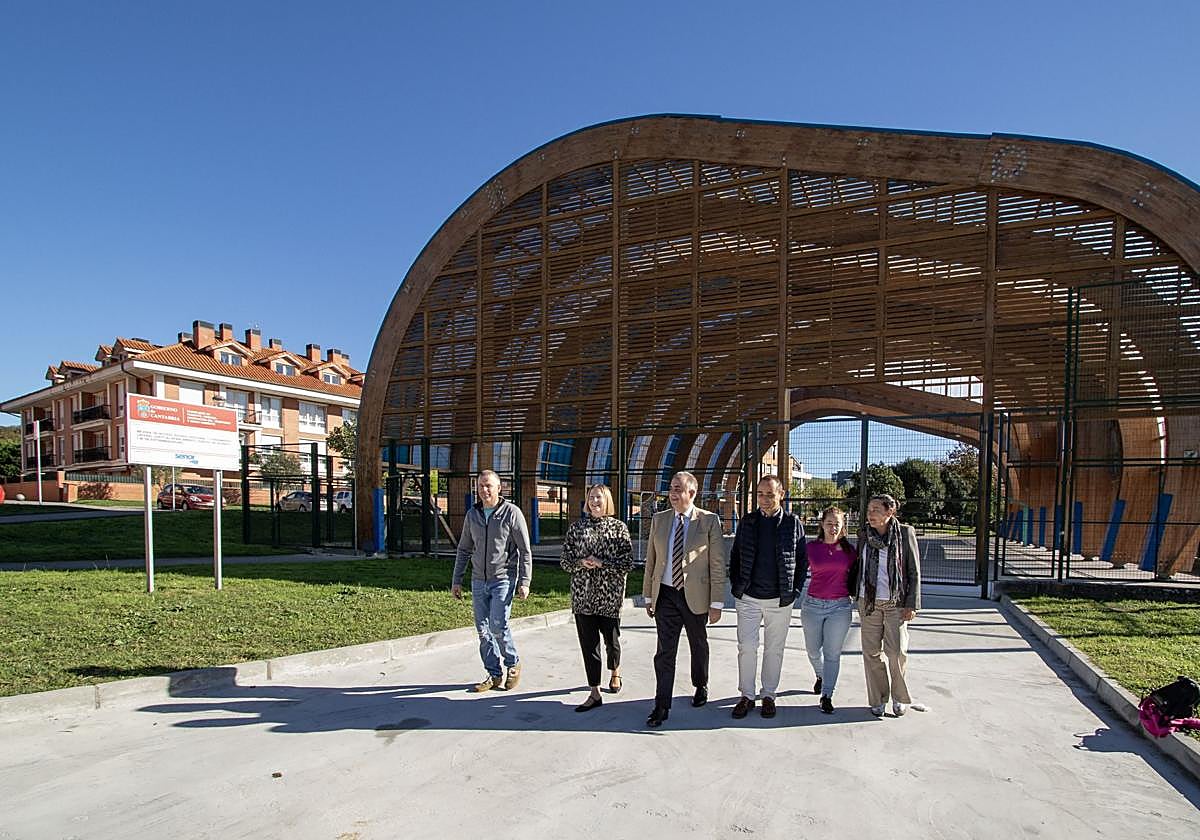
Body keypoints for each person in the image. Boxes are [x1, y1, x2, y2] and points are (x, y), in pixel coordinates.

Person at [642, 470, 727, 728]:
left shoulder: (709, 521)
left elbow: (717, 563)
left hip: (696, 596)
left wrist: (717, 602)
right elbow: (651, 560)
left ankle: (700, 684)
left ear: (692, 493)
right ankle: (661, 705)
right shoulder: (660, 519)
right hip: (666, 595)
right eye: (671, 488)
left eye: (679, 488)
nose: (673, 493)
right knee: (664, 652)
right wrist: (648, 594)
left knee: (698, 644)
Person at [728, 475, 807, 720]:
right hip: (749, 598)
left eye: (770, 494)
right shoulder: (748, 521)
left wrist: (793, 592)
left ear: (781, 495)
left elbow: (802, 561)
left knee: (774, 649)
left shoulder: (793, 523)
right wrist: (737, 586)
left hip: (780, 600)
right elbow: (736, 556)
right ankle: (747, 695)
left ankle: (769, 695)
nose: (764, 499)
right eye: (760, 494)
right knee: (747, 647)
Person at [451, 470, 533, 693]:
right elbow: (464, 549)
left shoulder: (511, 513)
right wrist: (456, 580)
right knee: (483, 630)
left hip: (503, 578)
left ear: (499, 488)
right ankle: (494, 674)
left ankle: (513, 664)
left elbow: (525, 551)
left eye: (488, 485)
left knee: (498, 625)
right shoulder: (472, 515)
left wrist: (524, 581)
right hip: (478, 580)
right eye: (480, 486)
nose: (484, 490)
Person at [559, 484, 633, 712]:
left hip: (609, 597)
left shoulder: (619, 528)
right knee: (588, 645)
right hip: (583, 597)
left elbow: (627, 563)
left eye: (598, 497)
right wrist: (581, 562)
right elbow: (564, 560)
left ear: (607, 500)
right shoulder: (577, 528)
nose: (594, 502)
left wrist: (602, 563)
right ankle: (594, 691)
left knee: (611, 641)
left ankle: (615, 671)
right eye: (591, 497)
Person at [854, 493, 927, 717]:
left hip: (896, 603)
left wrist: (911, 604)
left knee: (895, 653)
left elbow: (914, 571)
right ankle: (878, 699)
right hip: (869, 603)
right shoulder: (864, 534)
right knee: (871, 652)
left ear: (890, 512)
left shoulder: (905, 533)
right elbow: (859, 565)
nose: (871, 514)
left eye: (876, 509)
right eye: (869, 510)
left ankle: (898, 698)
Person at [801, 507, 856, 714]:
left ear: (843, 527)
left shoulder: (850, 552)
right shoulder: (811, 548)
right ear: (822, 524)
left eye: (837, 524)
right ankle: (820, 674)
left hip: (840, 607)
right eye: (829, 523)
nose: (833, 528)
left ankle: (827, 695)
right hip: (813, 605)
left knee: (832, 653)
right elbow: (796, 570)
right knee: (813, 650)